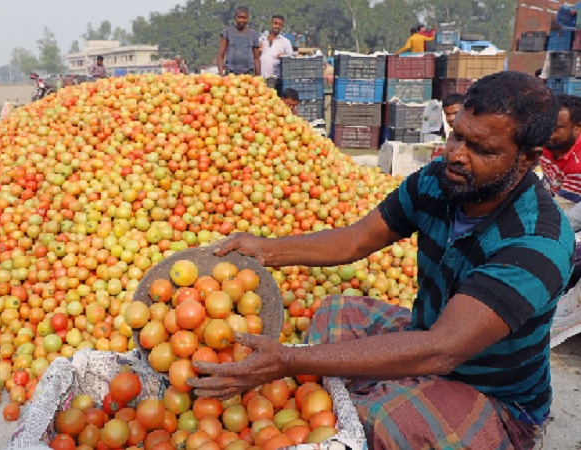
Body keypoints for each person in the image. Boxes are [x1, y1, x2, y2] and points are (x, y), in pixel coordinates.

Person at [189, 71, 573, 449]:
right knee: (335, 313)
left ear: (528, 159)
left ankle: (494, 433)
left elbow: (442, 349)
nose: (456, 155)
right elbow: (357, 239)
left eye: (481, 149)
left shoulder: (537, 240)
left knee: (374, 419)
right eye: (457, 135)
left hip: (494, 393)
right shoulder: (437, 183)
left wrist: (287, 361)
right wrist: (266, 250)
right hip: (429, 334)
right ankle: (391, 384)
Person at [540, 94, 581, 285]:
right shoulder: (548, 146)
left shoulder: (577, 164)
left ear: (578, 128)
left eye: (557, 128)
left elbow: (566, 215)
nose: (549, 133)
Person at [218, 6, 261, 76]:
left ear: (248, 18)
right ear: (235, 18)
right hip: (231, 73)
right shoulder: (227, 32)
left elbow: (256, 58)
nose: (242, 20)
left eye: (244, 18)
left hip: (248, 73)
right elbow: (220, 56)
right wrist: (221, 74)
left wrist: (258, 75)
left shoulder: (253, 34)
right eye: (239, 17)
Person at [259, 15, 294, 88]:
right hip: (261, 78)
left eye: (280, 25)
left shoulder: (285, 42)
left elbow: (291, 60)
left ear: (282, 27)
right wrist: (258, 51)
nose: (277, 26)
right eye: (275, 23)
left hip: (276, 79)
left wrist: (283, 57)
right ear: (271, 24)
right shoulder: (262, 39)